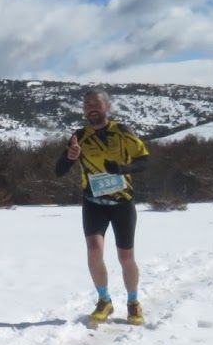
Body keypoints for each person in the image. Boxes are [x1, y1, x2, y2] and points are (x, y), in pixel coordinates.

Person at [54, 89, 150, 326]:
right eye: (86, 104)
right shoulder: (79, 136)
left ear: (107, 107)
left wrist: (122, 168)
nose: (90, 108)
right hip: (93, 202)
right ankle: (104, 300)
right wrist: (69, 156)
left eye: (95, 103)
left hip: (122, 202)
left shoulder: (122, 132)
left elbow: (145, 161)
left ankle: (133, 302)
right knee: (94, 249)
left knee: (125, 256)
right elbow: (58, 170)